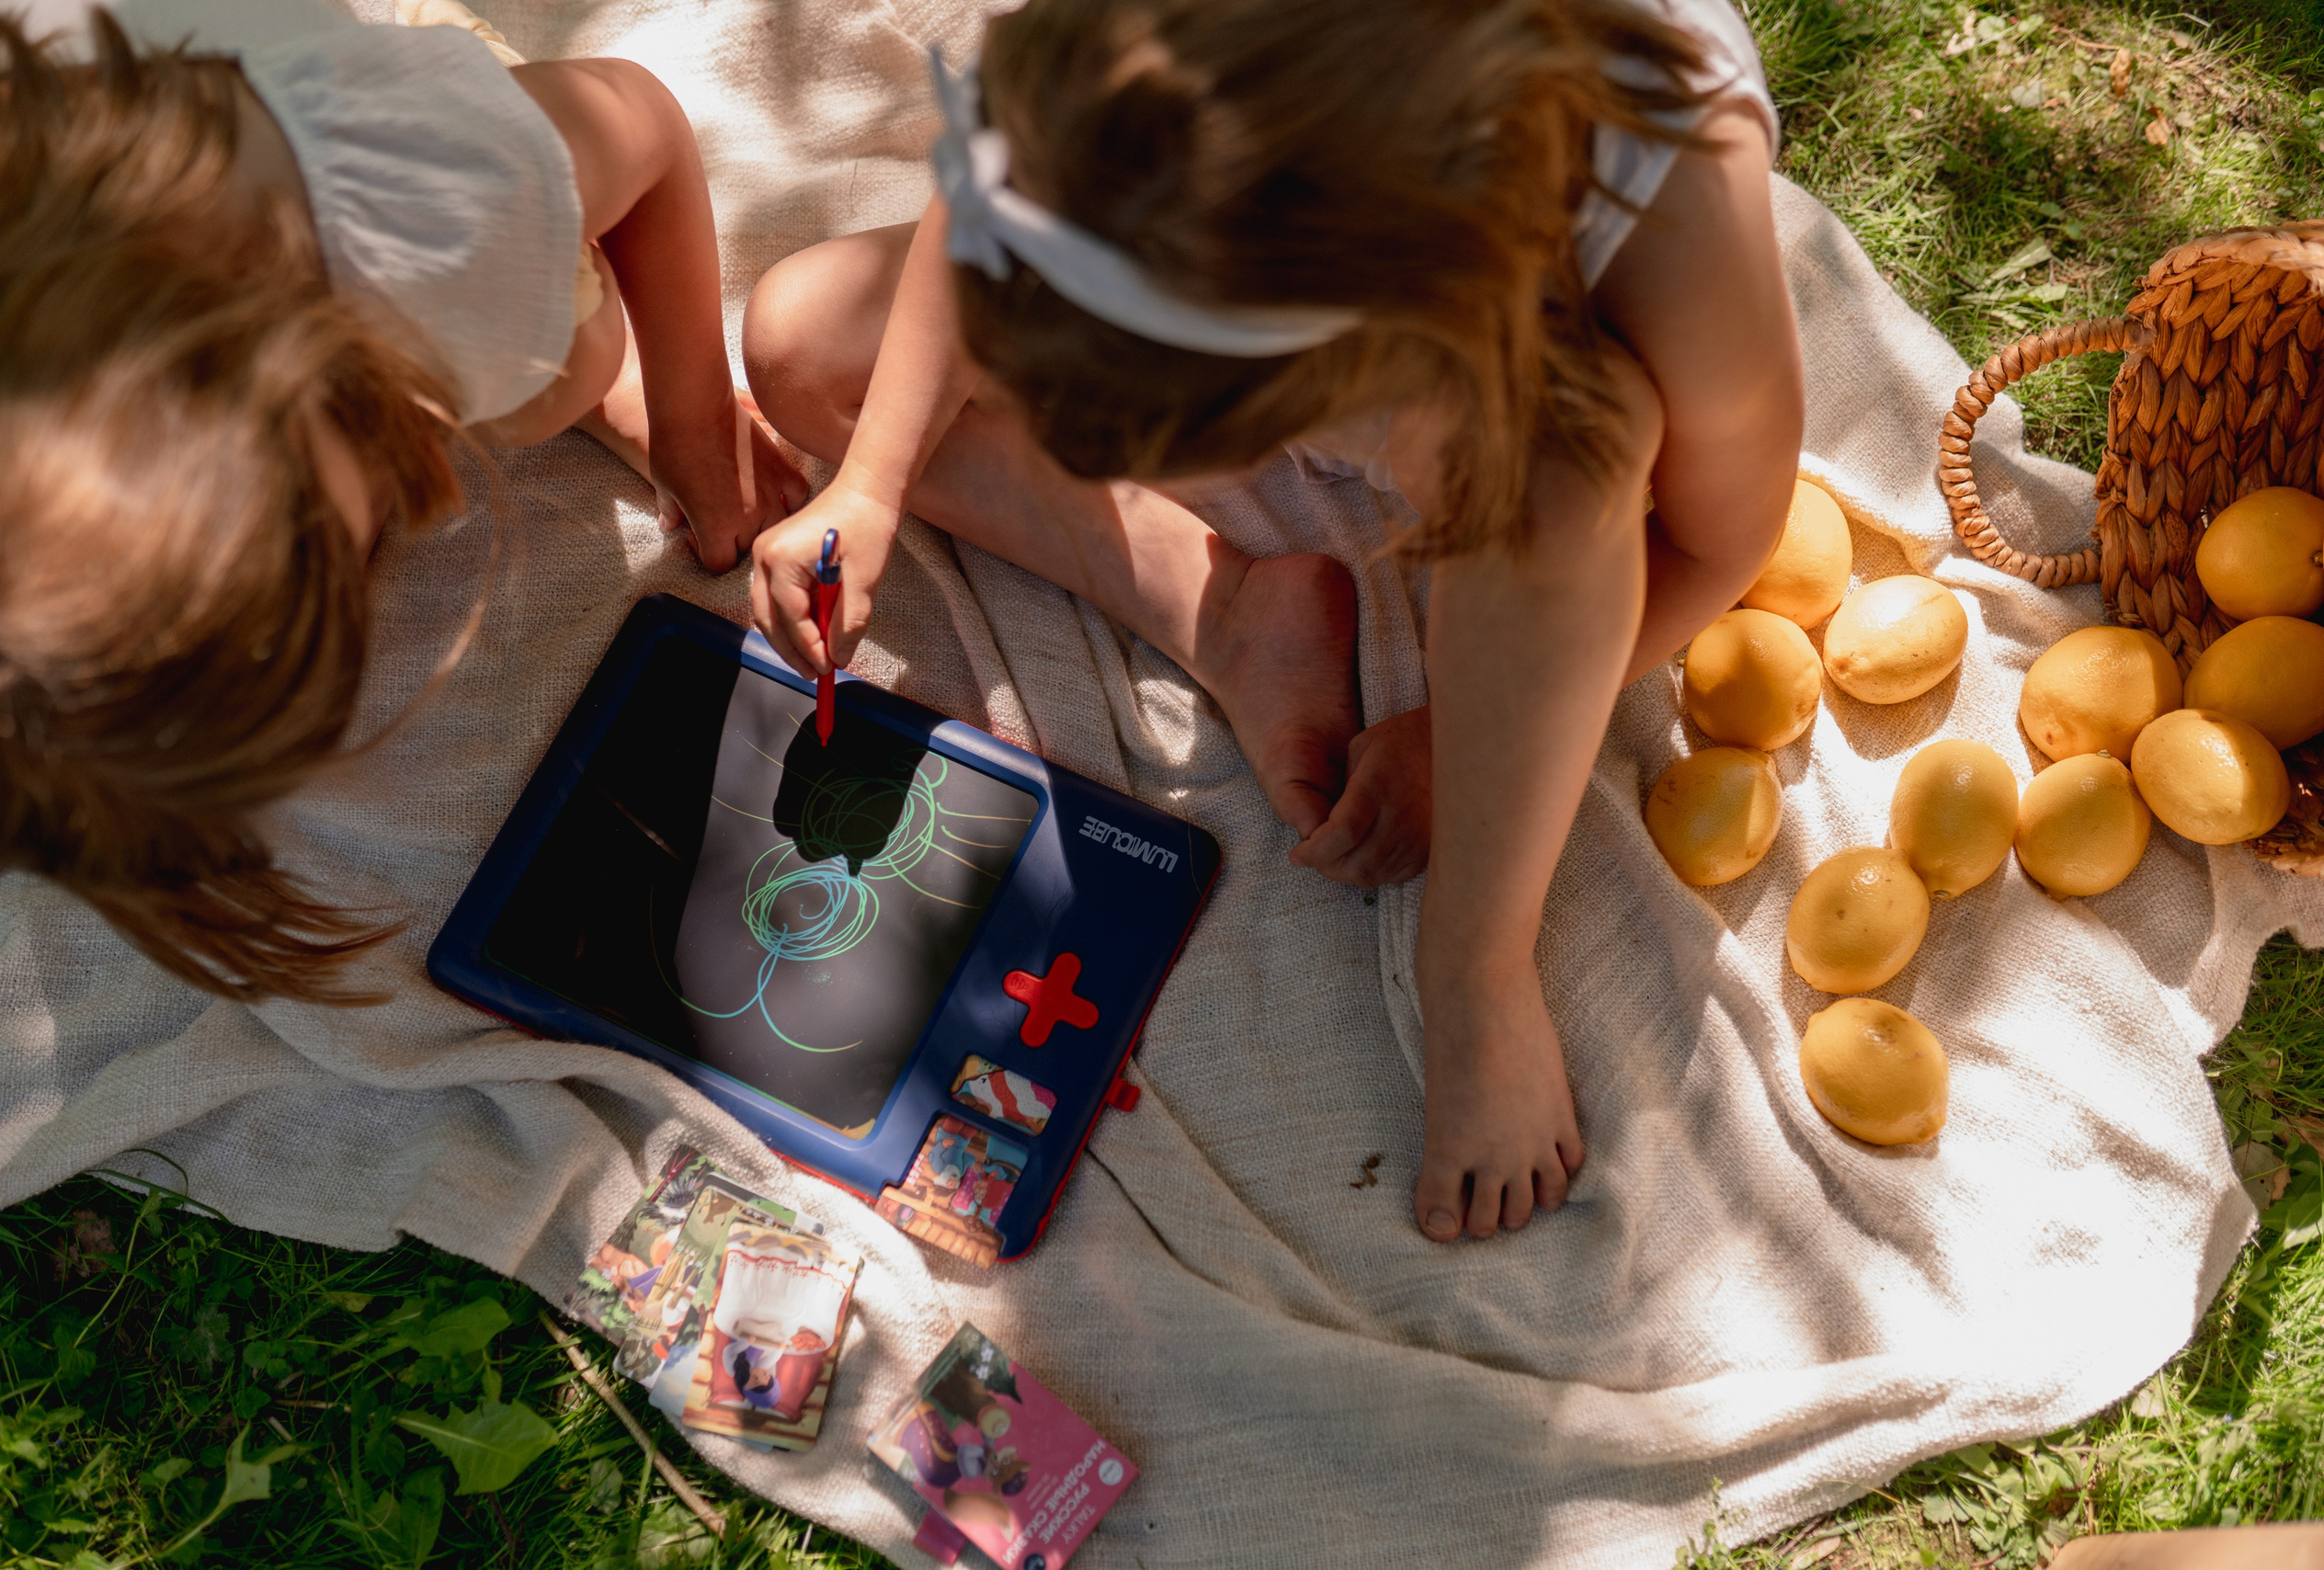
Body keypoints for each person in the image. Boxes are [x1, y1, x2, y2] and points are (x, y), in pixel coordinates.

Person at [737, 0, 1803, 1241]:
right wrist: (870, 483)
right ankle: (1222, 607)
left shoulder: (1664, 181)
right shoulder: (1159, 57)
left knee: (1573, 461)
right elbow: (991, 200)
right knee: (805, 340)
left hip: (1514, 391)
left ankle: (1478, 972)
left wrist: (1469, 731)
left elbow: (1726, 532)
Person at [0, 0, 807, 996]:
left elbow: (650, 130)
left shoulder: (426, 198)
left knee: (564, 373)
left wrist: (691, 420)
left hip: (349, 101)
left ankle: (563, 346)